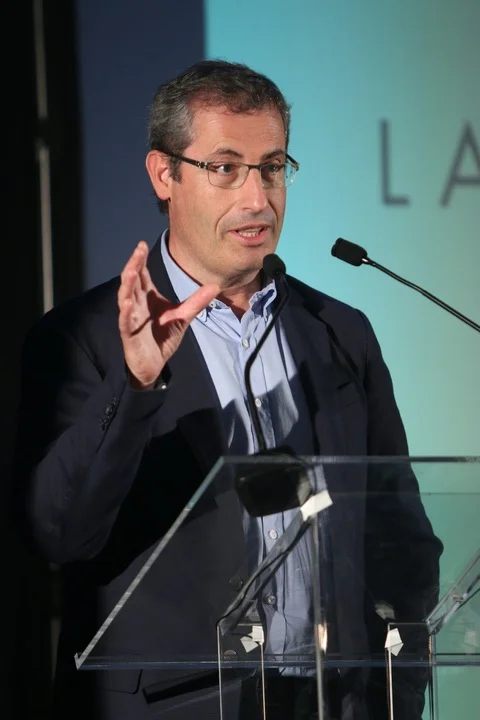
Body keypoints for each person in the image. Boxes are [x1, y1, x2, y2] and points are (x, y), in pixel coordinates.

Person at [14, 60, 442, 719]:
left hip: (333, 701)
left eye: (272, 167)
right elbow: (59, 535)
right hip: (178, 706)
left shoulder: (340, 331)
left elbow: (400, 538)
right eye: (225, 168)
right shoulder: (82, 337)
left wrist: (397, 693)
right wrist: (137, 384)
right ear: (165, 174)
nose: (257, 198)